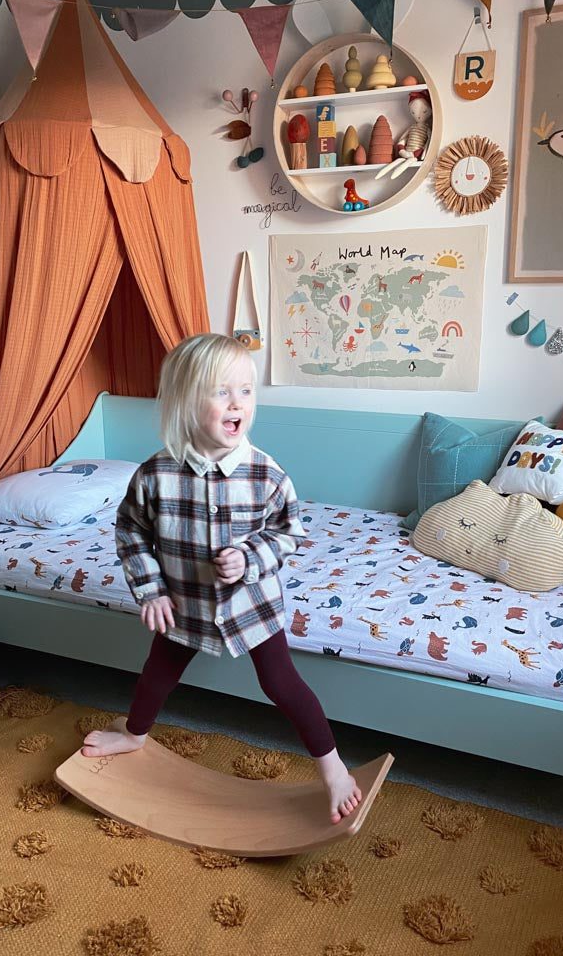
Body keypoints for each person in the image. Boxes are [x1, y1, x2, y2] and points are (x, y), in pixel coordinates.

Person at [82, 333, 361, 824]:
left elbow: (288, 532)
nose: (238, 404)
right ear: (188, 402)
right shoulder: (155, 475)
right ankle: (133, 734)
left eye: (247, 391)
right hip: (183, 605)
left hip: (251, 605)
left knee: (282, 683)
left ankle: (334, 768)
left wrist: (250, 558)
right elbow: (130, 530)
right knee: (157, 675)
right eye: (222, 392)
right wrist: (150, 589)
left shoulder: (266, 474)